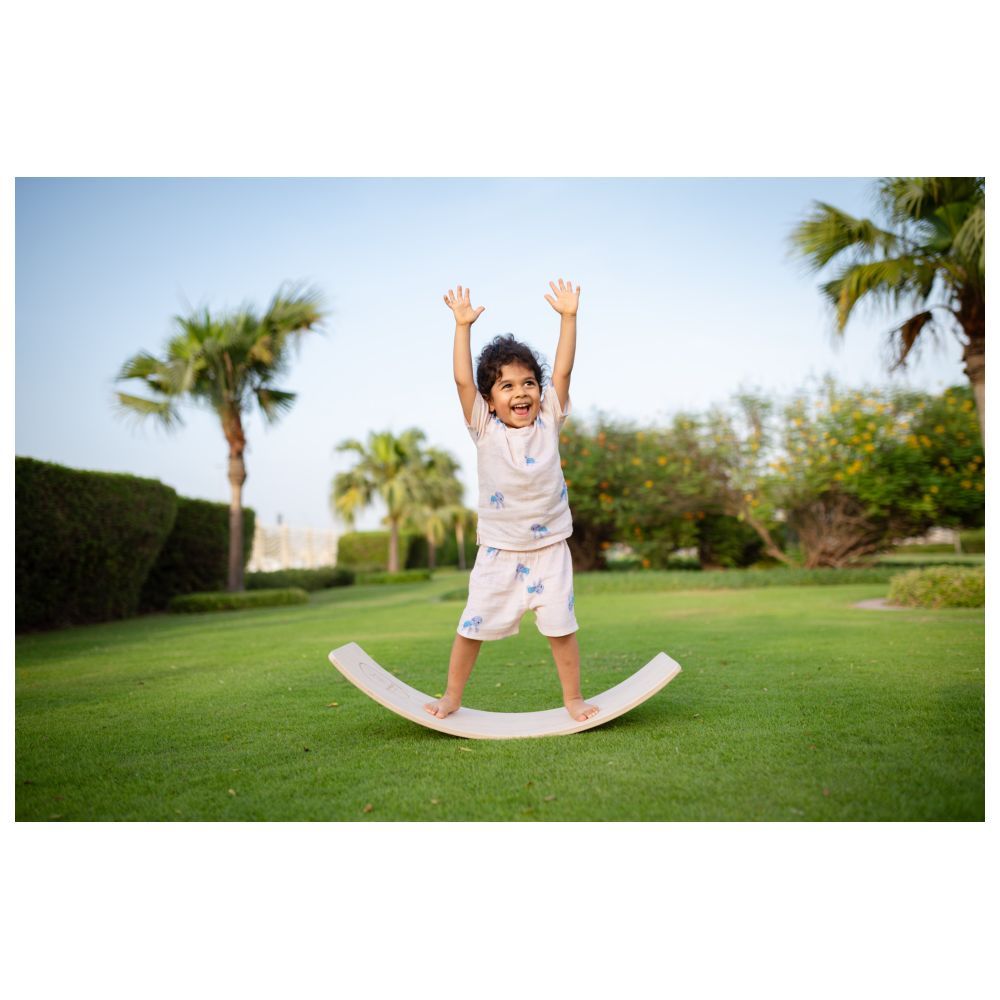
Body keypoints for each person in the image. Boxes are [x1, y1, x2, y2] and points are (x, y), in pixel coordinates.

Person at [424, 280, 599, 723]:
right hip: (499, 550)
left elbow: (562, 371)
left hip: (549, 550)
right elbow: (463, 378)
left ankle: (573, 699)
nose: (520, 392)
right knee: (472, 627)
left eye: (527, 383)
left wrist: (568, 318)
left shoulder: (549, 419)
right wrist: (462, 326)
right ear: (490, 400)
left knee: (562, 629)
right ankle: (451, 698)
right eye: (506, 386)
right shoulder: (483, 426)